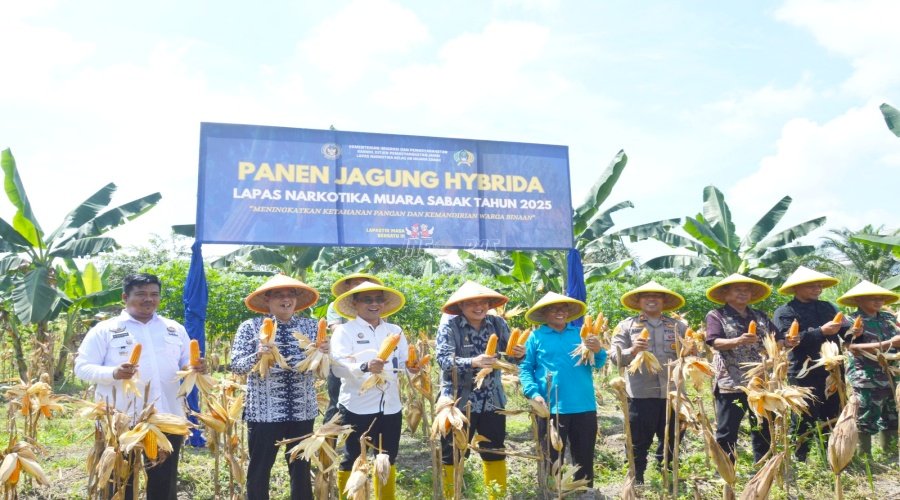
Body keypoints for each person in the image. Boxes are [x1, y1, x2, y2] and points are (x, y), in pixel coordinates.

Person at [75, 273, 198, 500]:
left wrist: (195, 367)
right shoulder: (105, 330)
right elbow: (82, 368)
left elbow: (185, 364)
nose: (148, 299)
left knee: (165, 481)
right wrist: (114, 372)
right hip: (122, 420)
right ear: (125, 297)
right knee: (120, 482)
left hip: (166, 417)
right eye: (141, 294)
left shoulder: (174, 328)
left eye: (154, 294)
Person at [230, 274, 323, 500]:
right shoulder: (250, 327)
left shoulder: (311, 326)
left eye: (290, 294)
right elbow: (237, 366)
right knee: (260, 469)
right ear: (267, 300)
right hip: (264, 412)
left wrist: (323, 354)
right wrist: (257, 355)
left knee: (301, 469)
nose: (286, 299)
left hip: (303, 410)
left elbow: (320, 369)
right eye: (279, 295)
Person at [435, 281, 524, 499]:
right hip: (457, 401)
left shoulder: (497, 324)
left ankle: (496, 495)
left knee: (494, 450)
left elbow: (511, 356)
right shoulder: (450, 326)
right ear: (462, 306)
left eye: (482, 302)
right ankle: (451, 494)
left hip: (491, 399)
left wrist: (519, 353)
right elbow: (444, 360)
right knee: (453, 453)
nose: (478, 307)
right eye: (472, 303)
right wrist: (473, 362)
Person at [330, 280, 415, 499]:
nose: (374, 304)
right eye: (367, 299)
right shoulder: (345, 331)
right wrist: (364, 367)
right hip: (357, 406)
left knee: (387, 457)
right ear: (355, 303)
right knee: (353, 458)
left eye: (379, 299)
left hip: (391, 407)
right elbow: (338, 367)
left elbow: (405, 364)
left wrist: (414, 368)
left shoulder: (394, 331)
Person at [520, 291, 605, 487]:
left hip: (583, 404)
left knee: (584, 455)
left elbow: (598, 363)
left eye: (563, 308)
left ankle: (584, 491)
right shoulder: (535, 337)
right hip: (550, 406)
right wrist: (533, 393)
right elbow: (525, 368)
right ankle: (549, 490)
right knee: (550, 456)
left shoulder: (580, 334)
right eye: (553, 308)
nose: (559, 312)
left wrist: (598, 349)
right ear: (543, 313)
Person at [608, 281, 687, 484]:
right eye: (646, 296)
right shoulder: (626, 326)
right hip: (640, 393)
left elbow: (691, 356)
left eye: (657, 296)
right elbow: (615, 357)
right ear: (639, 301)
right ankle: (637, 480)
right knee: (637, 441)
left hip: (672, 392)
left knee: (672, 439)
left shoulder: (678, 326)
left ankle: (668, 477)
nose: (652, 299)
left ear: (664, 301)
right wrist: (632, 349)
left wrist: (692, 351)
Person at [705, 274, 781, 464]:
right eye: (737, 289)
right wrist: (737, 341)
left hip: (761, 380)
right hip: (731, 381)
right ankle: (725, 470)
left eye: (746, 290)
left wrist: (786, 342)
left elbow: (776, 338)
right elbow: (714, 342)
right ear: (726, 294)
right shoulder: (716, 315)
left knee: (763, 426)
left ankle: (763, 466)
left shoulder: (761, 316)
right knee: (727, 429)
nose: (742, 293)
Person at [773, 266, 845, 461]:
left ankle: (831, 455)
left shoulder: (827, 307)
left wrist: (853, 331)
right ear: (797, 288)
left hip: (832, 369)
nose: (817, 289)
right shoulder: (785, 312)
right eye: (812, 286)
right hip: (804, 369)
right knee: (805, 412)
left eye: (819, 286)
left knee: (833, 410)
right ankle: (800, 455)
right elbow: (790, 340)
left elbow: (843, 328)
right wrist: (821, 331)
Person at [837, 280, 900, 458]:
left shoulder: (888, 319)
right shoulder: (849, 320)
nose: (878, 302)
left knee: (892, 414)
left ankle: (891, 452)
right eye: (872, 298)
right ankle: (864, 457)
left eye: (880, 298)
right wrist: (889, 344)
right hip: (866, 375)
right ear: (859, 300)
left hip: (890, 374)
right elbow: (850, 347)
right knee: (866, 417)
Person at [325, 273, 384, 423]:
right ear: (347, 286)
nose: (361, 285)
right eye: (356, 283)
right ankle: (329, 442)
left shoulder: (374, 306)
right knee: (335, 404)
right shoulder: (334, 306)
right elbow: (335, 327)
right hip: (343, 359)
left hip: (372, 363)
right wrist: (357, 330)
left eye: (364, 282)